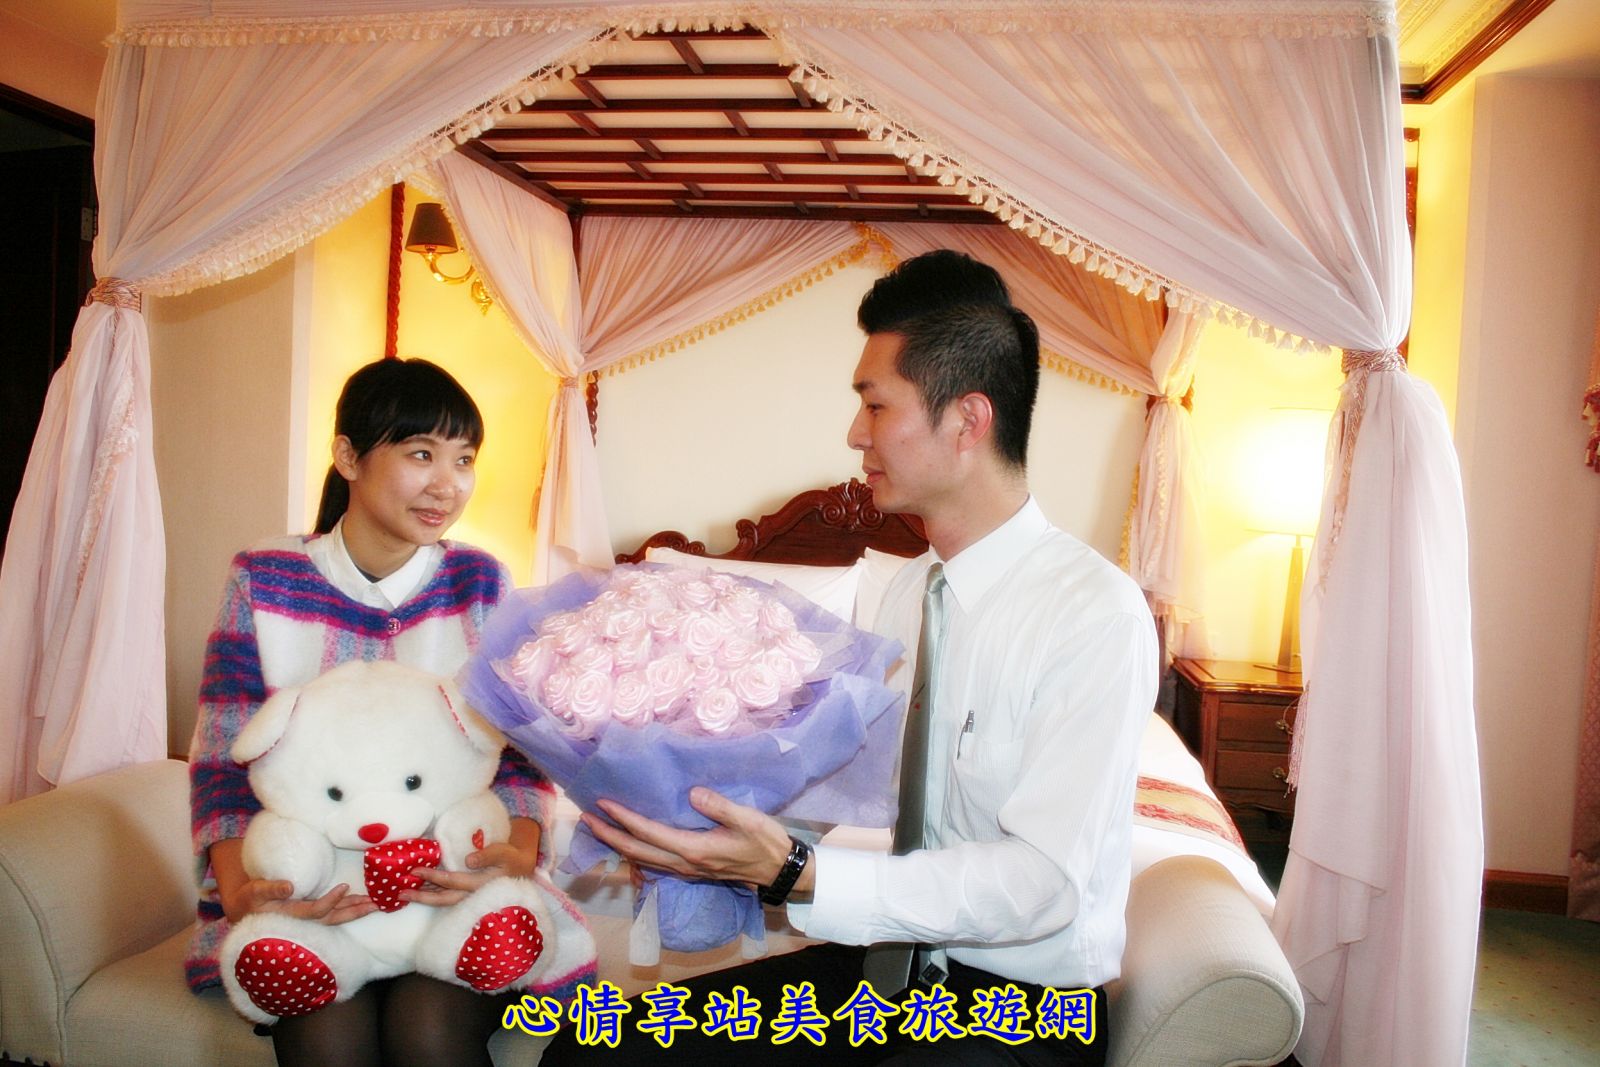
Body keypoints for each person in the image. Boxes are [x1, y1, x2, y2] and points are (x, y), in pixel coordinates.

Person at [540, 251, 1158, 1066]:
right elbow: (842, 781)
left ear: (967, 420)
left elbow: (1042, 885)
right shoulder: (909, 592)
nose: (855, 434)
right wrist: (679, 814)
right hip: (892, 973)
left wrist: (798, 870)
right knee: (595, 1047)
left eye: (875, 404)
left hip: (1024, 1010)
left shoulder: (1093, 613)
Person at [186, 357, 566, 1067]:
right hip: (316, 895)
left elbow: (520, 752)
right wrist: (243, 893)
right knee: (327, 1039)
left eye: (464, 459)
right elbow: (222, 757)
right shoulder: (264, 578)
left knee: (428, 1031)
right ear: (348, 456)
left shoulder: (479, 581)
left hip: (449, 892)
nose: (447, 484)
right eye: (421, 454)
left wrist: (514, 857)